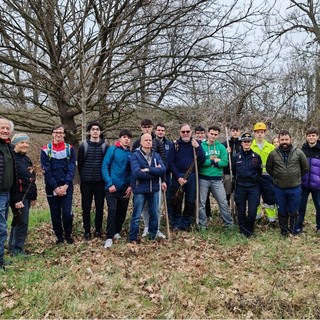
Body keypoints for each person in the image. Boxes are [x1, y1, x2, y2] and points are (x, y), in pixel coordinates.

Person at [266, 130, 309, 236]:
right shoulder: (273, 154)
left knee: (294, 210)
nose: (284, 141)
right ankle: (284, 231)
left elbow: (305, 168)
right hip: (279, 187)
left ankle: (294, 230)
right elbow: (269, 168)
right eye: (282, 140)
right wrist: (278, 177)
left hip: (295, 187)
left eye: (286, 139)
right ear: (279, 140)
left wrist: (295, 177)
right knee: (282, 210)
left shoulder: (298, 152)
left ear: (291, 140)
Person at [41, 124, 76, 244]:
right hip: (52, 187)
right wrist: (55, 187)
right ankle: (59, 236)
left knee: (67, 213)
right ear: (52, 133)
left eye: (60, 132)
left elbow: (72, 169)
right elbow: (46, 170)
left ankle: (68, 235)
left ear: (64, 134)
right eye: (56, 132)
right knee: (55, 213)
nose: (58, 134)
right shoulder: (46, 149)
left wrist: (66, 185)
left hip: (67, 186)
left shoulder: (70, 149)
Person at [132, 119, 167, 238]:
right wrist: (154, 171)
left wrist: (162, 179)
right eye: (144, 126)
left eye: (149, 126)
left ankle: (155, 230)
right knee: (144, 208)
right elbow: (135, 167)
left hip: (156, 182)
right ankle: (146, 228)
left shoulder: (158, 143)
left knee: (156, 209)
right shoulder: (136, 143)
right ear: (141, 128)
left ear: (152, 127)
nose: (146, 128)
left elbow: (163, 164)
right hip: (141, 184)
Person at [168, 124, 205, 231]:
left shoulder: (196, 144)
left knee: (190, 201)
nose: (185, 134)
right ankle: (176, 223)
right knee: (177, 200)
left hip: (191, 176)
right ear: (180, 132)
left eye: (187, 131)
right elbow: (170, 162)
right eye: (183, 132)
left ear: (191, 132)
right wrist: (178, 177)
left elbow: (202, 160)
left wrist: (198, 147)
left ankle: (186, 223)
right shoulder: (175, 145)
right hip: (177, 176)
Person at [102, 129, 132, 248]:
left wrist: (130, 185)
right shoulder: (112, 149)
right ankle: (109, 237)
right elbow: (104, 166)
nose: (127, 139)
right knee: (112, 210)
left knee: (122, 211)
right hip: (111, 187)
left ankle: (116, 231)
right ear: (120, 138)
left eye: (129, 137)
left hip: (125, 188)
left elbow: (131, 171)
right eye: (124, 137)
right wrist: (109, 183)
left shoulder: (130, 153)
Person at [198, 126, 234, 229]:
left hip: (217, 179)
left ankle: (228, 224)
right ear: (208, 133)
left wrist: (213, 162)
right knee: (201, 203)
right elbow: (201, 162)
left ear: (218, 135)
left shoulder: (221, 147)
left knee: (223, 202)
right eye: (212, 134)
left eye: (215, 134)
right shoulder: (202, 146)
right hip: (203, 178)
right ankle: (203, 224)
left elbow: (225, 162)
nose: (213, 136)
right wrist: (214, 161)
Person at [78, 122, 107, 240]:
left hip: (100, 182)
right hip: (86, 183)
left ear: (100, 132)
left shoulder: (105, 146)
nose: (95, 131)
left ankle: (98, 230)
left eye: (97, 129)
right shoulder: (83, 146)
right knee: (86, 207)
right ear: (89, 131)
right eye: (93, 129)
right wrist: (84, 176)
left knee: (100, 207)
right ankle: (87, 231)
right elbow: (80, 164)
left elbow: (106, 164)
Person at [9, 133, 37, 256]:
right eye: (22, 142)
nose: (25, 145)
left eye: (26, 142)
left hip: (26, 196)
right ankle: (17, 250)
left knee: (18, 221)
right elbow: (12, 180)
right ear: (16, 143)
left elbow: (31, 178)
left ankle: (12, 246)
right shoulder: (12, 158)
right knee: (22, 222)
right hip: (18, 197)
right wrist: (16, 199)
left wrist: (33, 196)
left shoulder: (26, 158)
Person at [232, 133, 262, 237]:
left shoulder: (256, 157)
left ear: (251, 142)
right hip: (240, 186)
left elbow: (260, 171)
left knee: (252, 210)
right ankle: (242, 230)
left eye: (248, 141)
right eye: (244, 141)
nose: (246, 143)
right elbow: (234, 171)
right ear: (241, 143)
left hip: (253, 187)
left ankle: (249, 230)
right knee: (241, 210)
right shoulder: (236, 157)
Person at [251, 122, 277, 225]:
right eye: (257, 132)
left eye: (262, 132)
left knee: (269, 198)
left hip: (268, 176)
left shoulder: (271, 147)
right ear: (254, 133)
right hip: (254, 176)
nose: (260, 134)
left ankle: (271, 220)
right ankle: (256, 218)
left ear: (265, 133)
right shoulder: (250, 146)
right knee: (255, 198)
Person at [295, 127, 320, 234]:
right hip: (303, 184)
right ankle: (298, 226)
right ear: (306, 137)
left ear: (317, 137)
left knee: (319, 207)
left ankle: (319, 227)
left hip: (318, 185)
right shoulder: (302, 150)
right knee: (301, 206)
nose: (311, 137)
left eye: (313, 135)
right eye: (309, 135)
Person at [0, 118, 16, 270]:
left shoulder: (9, 147)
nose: (5, 130)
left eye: (7, 128)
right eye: (2, 127)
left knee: (2, 227)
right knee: (0, 228)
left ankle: (0, 258)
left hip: (6, 193)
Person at [155, 123, 173, 225]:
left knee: (168, 197)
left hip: (166, 175)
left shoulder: (169, 144)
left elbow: (171, 159)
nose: (160, 132)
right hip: (154, 175)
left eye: (162, 130)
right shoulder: (152, 142)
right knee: (156, 199)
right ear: (155, 131)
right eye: (159, 130)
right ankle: (154, 219)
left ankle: (168, 219)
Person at [223, 124, 242, 206]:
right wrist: (225, 152)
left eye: (236, 131)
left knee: (238, 194)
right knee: (227, 193)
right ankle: (227, 209)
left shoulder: (242, 143)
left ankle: (237, 211)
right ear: (230, 132)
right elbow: (220, 156)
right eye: (233, 131)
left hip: (239, 172)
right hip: (228, 172)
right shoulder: (225, 144)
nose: (235, 133)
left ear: (239, 132)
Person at [195, 125, 211, 218]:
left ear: (204, 134)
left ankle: (208, 213)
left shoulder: (207, 144)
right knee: (196, 194)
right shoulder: (193, 143)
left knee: (206, 195)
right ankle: (196, 214)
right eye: (198, 133)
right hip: (195, 172)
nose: (200, 135)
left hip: (205, 172)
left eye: (201, 133)